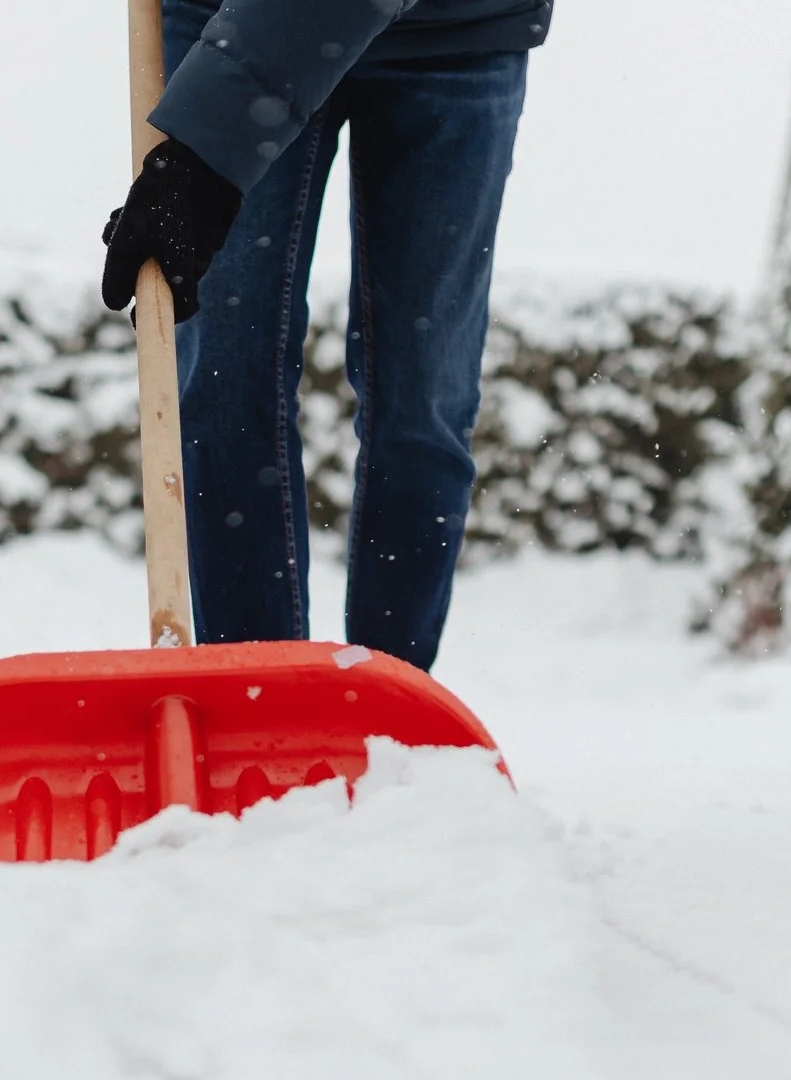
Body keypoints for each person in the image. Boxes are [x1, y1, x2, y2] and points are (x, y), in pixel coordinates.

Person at [102, 0, 552, 672]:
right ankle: (259, 702)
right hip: (228, 20)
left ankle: (393, 719)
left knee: (422, 399)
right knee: (223, 389)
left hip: (458, 33)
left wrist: (205, 151)